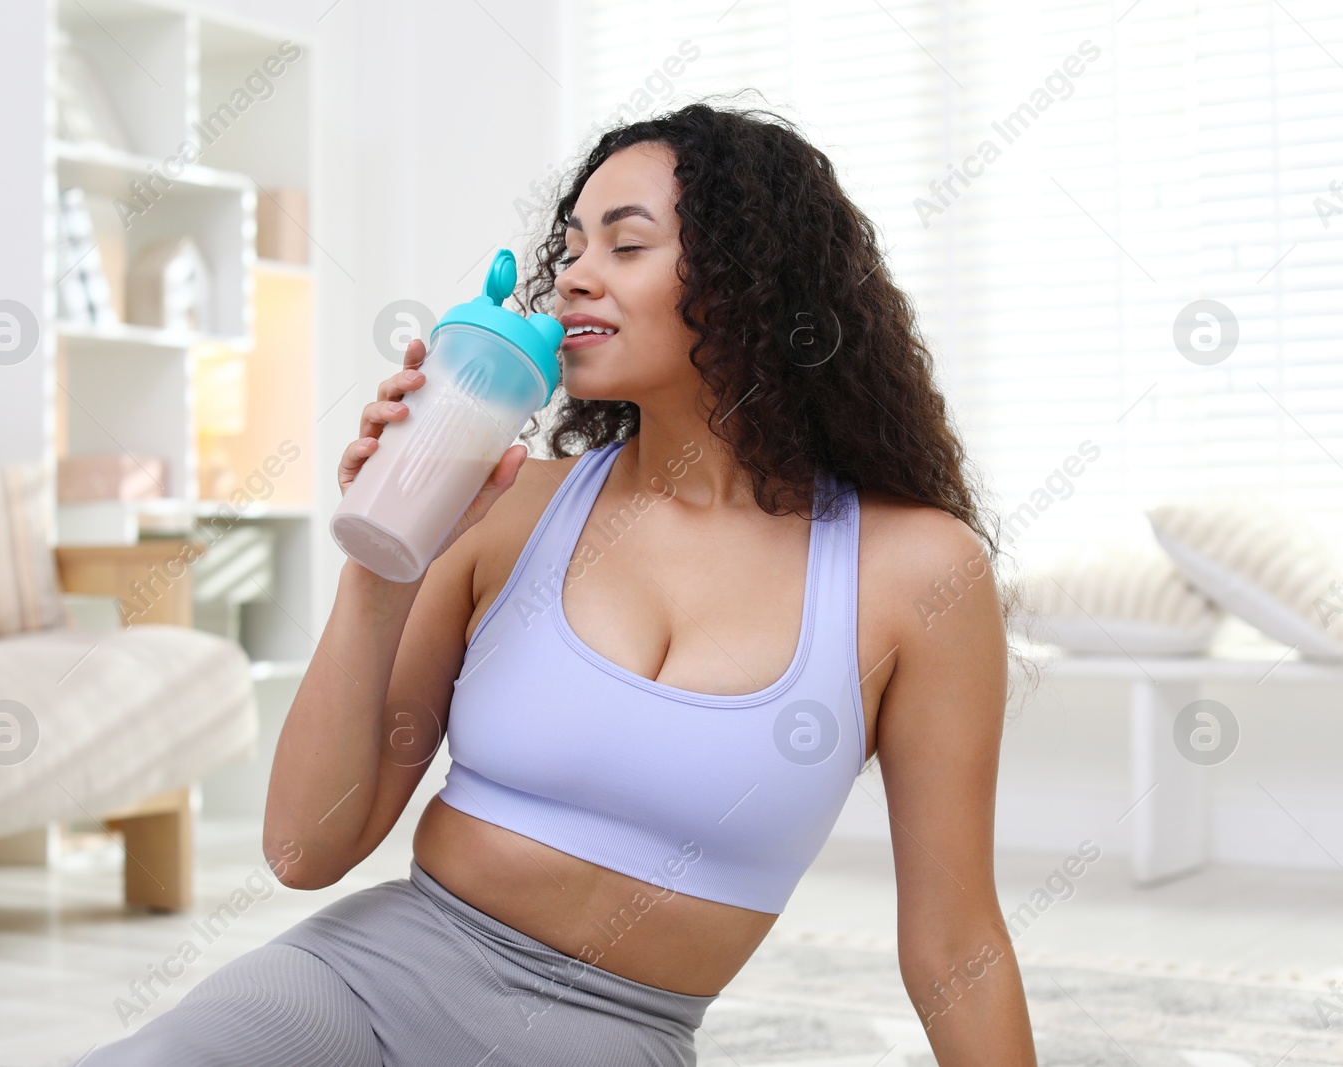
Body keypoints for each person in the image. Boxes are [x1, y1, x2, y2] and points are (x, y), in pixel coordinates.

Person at [83, 99, 1038, 1066]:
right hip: (361, 987)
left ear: (755, 280)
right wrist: (385, 562)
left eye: (627, 246)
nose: (574, 275)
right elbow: (304, 852)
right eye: (572, 244)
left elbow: (955, 943)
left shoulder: (914, 572)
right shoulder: (504, 504)